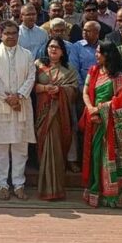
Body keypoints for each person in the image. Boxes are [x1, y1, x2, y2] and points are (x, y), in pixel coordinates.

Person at [0, 20, 36, 201]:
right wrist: (8, 99)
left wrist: (19, 96)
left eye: (14, 33)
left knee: (20, 148)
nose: (10, 36)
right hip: (1, 106)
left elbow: (31, 77)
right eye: (7, 33)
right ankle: (2, 185)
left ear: (18, 34)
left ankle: (19, 184)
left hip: (21, 105)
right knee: (1, 148)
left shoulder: (27, 55)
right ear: (1, 34)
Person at [80, 41, 122, 208]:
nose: (96, 55)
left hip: (110, 123)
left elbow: (120, 100)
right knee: (94, 156)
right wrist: (91, 109)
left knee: (110, 156)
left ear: (108, 54)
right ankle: (95, 190)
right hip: (94, 120)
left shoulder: (120, 76)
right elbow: (86, 92)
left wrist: (101, 109)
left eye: (99, 52)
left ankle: (110, 195)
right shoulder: (93, 71)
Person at [34, 37, 78, 201]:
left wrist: (60, 90)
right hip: (43, 113)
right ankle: (44, 188)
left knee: (57, 151)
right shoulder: (38, 65)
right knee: (44, 147)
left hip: (60, 116)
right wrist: (46, 88)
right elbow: (31, 86)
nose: (53, 50)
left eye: (57, 47)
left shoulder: (69, 70)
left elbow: (74, 91)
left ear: (62, 51)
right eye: (51, 47)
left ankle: (57, 189)